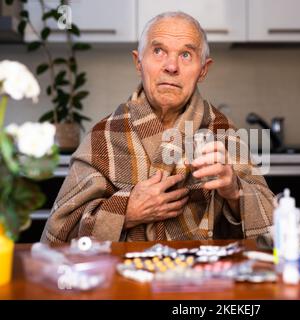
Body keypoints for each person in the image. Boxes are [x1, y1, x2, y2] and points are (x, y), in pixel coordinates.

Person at [41, 11, 274, 243]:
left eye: (185, 54)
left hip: (200, 277)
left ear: (203, 69)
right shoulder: (104, 136)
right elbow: (59, 231)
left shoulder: (221, 131)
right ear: (138, 62)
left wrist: (234, 191)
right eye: (158, 51)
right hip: (123, 277)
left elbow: (273, 225)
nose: (171, 66)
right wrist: (126, 211)